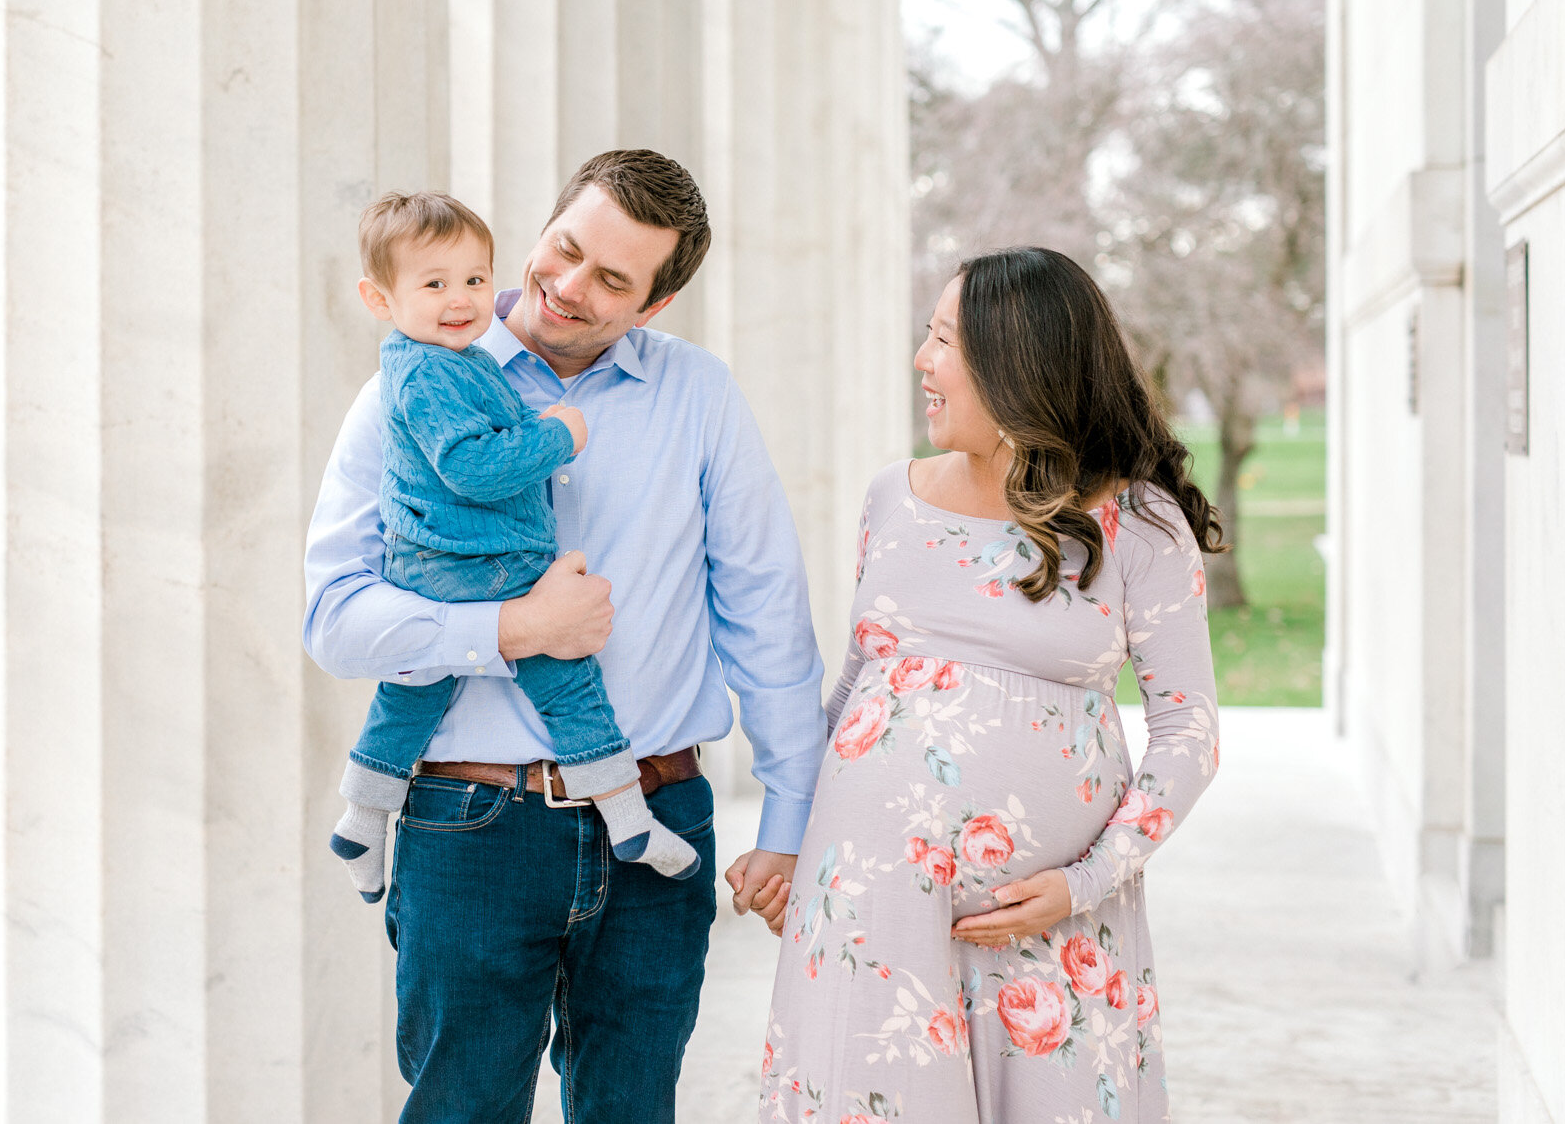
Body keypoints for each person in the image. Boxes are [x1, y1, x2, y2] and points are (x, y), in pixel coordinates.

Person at [304, 149, 825, 1120]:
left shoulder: (699, 398)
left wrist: (792, 821)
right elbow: (333, 619)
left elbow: (765, 616)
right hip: (471, 832)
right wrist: (507, 628)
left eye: (611, 280)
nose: (567, 286)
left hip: (657, 824)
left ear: (654, 305)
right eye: (564, 248)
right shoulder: (406, 391)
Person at [758, 247, 1223, 1123]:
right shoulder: (891, 498)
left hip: (1049, 927)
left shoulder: (1141, 524)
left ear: (1018, 368)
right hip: (869, 912)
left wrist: (1086, 881)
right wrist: (787, 837)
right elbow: (863, 681)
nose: (921, 361)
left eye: (943, 341)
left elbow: (1189, 732)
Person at [328, 189, 700, 902]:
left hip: (448, 560)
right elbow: (471, 466)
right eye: (433, 284)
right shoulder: (427, 371)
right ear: (379, 298)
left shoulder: (447, 357)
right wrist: (557, 432)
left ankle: (363, 813)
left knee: (413, 694)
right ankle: (629, 818)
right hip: (479, 563)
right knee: (568, 679)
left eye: (473, 277)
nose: (463, 298)